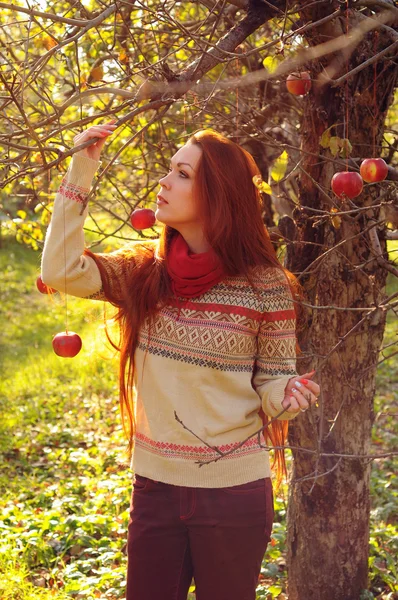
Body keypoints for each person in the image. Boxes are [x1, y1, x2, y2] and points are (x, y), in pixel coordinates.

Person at [41, 121, 320, 600]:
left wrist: (289, 396)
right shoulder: (143, 273)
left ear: (218, 195)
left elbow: (274, 383)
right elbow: (61, 272)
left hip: (234, 494)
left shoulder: (266, 286)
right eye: (168, 170)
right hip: (156, 488)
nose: (164, 183)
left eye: (183, 174)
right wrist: (81, 168)